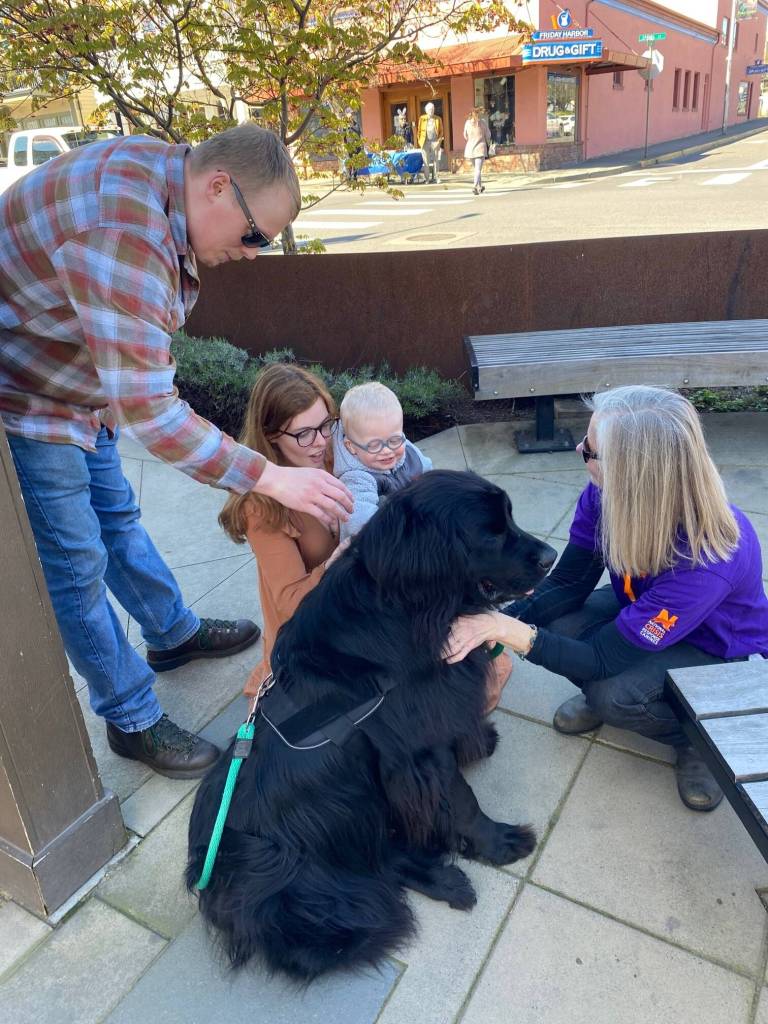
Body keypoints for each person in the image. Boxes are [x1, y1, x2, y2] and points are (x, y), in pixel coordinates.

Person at [0, 123, 353, 779]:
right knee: (76, 565)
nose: (252, 254)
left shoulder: (164, 177)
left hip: (82, 382)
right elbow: (155, 417)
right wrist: (271, 477)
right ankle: (131, 719)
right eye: (253, 236)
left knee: (118, 520)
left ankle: (171, 634)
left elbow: (130, 371)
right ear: (217, 186)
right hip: (26, 396)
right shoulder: (126, 231)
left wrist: (108, 391)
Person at [444, 386, 768, 812]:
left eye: (589, 451)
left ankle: (693, 738)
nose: (579, 449)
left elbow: (600, 659)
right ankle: (630, 695)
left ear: (633, 473)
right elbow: (568, 585)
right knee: (559, 625)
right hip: (648, 608)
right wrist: (490, 620)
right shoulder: (605, 494)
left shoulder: (706, 558)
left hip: (713, 646)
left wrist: (507, 631)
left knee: (612, 692)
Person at [219, 364, 347, 698]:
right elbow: (291, 603)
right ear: (271, 435)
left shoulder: (336, 453)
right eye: (304, 434)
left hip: (357, 607)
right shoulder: (260, 506)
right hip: (311, 635)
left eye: (325, 425)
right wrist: (343, 558)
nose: (320, 442)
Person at [333, 382, 432, 541]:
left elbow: (430, 476)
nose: (387, 450)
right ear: (351, 447)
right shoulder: (356, 479)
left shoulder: (408, 451)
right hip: (386, 544)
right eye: (374, 445)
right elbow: (360, 522)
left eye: (394, 440)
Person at [463, 107, 491, 195]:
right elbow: (488, 135)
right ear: (479, 114)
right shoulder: (483, 123)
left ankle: (479, 187)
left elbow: (465, 136)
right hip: (480, 148)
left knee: (476, 169)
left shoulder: (467, 123)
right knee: (478, 170)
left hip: (470, 149)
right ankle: (475, 186)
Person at [417, 102, 444, 184]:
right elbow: (419, 131)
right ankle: (427, 179)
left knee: (436, 161)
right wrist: (419, 141)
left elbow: (441, 131)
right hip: (425, 142)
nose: (431, 111)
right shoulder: (422, 118)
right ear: (426, 110)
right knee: (426, 161)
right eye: (430, 109)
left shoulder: (438, 119)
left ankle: (437, 178)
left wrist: (438, 142)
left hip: (435, 141)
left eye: (432, 109)